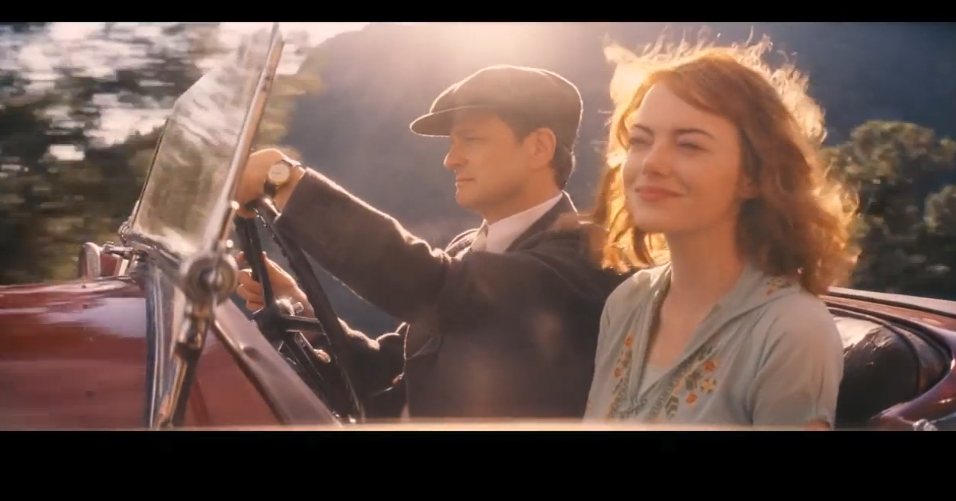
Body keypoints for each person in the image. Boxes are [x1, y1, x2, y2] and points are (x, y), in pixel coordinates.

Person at [233, 64, 630, 420]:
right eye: (453, 142)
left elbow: (445, 289)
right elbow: (384, 377)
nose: (451, 159)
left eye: (471, 139)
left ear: (539, 147)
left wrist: (284, 181)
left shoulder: (584, 257)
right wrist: (306, 315)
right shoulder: (466, 251)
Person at [581, 37, 859, 429]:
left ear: (752, 176)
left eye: (689, 146)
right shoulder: (627, 302)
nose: (652, 163)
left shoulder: (791, 331)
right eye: (641, 141)